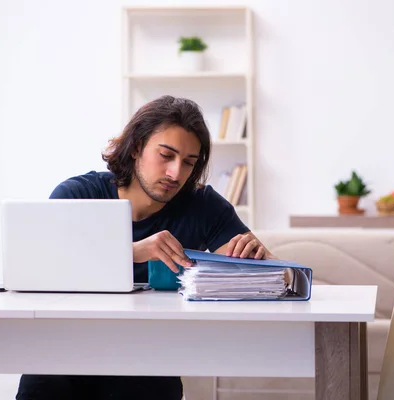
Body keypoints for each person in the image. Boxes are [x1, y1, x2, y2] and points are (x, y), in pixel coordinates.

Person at [15, 95, 273, 400]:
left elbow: (275, 274)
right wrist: (134, 251)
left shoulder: (203, 205)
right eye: (166, 155)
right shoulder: (78, 194)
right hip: (61, 358)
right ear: (136, 147)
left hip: (148, 362)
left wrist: (256, 259)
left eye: (189, 163)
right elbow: (41, 270)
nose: (176, 174)